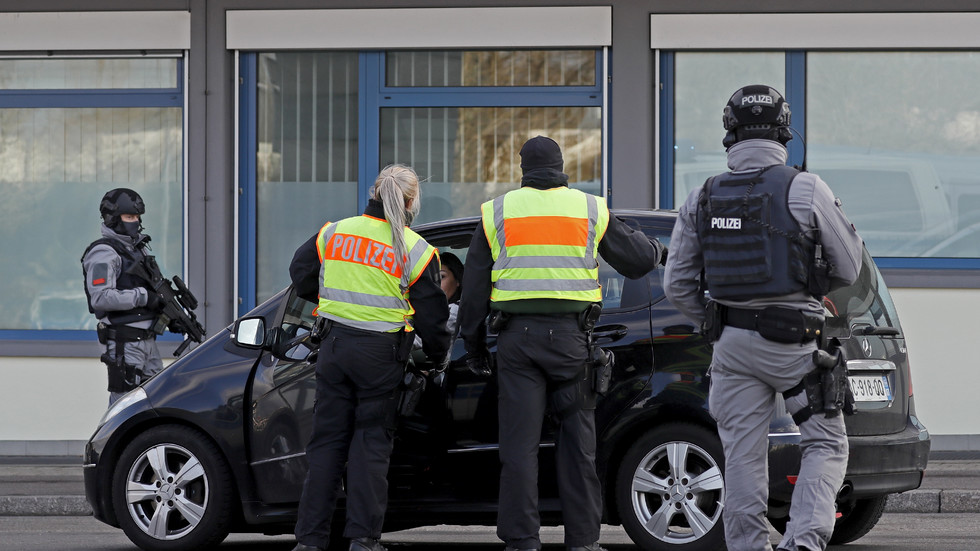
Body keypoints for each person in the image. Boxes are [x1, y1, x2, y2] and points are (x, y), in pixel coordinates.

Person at [663, 85, 864, 551]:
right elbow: (849, 267)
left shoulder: (702, 196)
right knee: (826, 444)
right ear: (784, 132)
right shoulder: (807, 187)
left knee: (742, 456)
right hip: (794, 345)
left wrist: (717, 321)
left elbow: (677, 284)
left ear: (729, 133)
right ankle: (802, 543)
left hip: (732, 348)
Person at [457, 136, 664, 551]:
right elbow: (639, 261)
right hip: (572, 343)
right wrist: (652, 243)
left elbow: (473, 289)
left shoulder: (496, 211)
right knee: (578, 446)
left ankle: (521, 540)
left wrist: (474, 345)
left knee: (518, 448)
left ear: (523, 168)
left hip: (517, 342)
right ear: (561, 166)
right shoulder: (589, 208)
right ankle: (583, 541)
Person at [289, 164, 451, 551]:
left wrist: (331, 302)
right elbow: (433, 318)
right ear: (411, 202)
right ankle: (362, 538)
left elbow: (300, 273)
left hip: (334, 347)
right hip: (381, 356)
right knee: (370, 446)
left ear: (374, 192)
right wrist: (436, 356)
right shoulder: (415, 249)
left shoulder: (334, 232)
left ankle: (310, 540)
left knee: (327, 444)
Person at [81, 188, 165, 405]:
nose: (135, 222)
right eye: (129, 216)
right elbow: (100, 298)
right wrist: (143, 297)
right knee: (124, 405)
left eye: (137, 217)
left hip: (147, 340)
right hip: (125, 342)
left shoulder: (138, 249)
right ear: (113, 218)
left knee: (157, 402)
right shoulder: (103, 253)